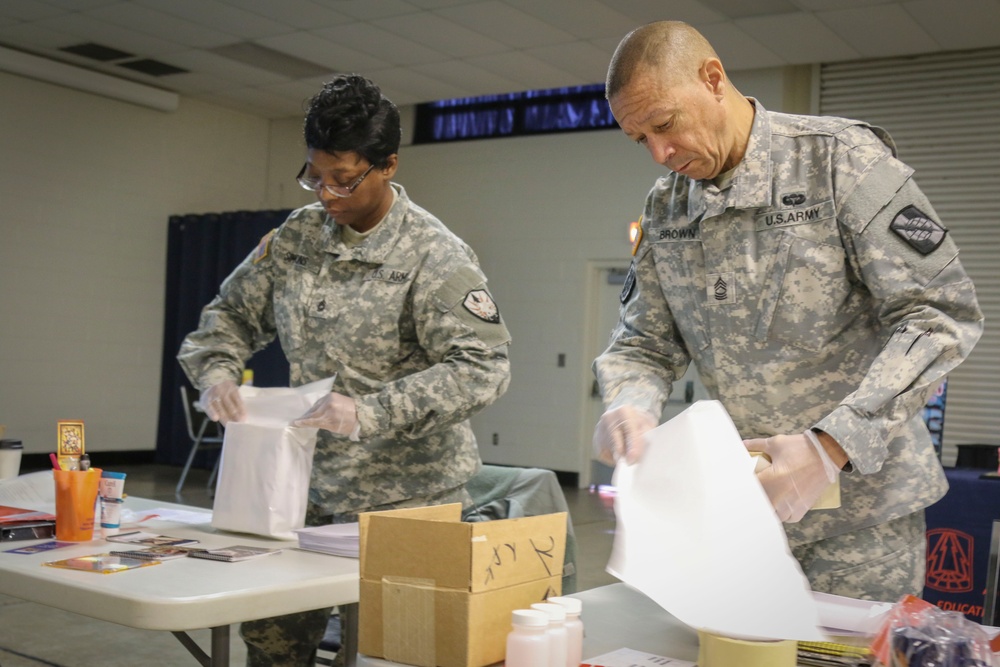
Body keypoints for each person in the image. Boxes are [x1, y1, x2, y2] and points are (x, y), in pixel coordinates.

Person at [592, 21, 983, 602]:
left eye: (665, 125)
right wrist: (630, 405)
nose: (659, 152)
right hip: (742, 516)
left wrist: (831, 445)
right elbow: (644, 343)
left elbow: (940, 316)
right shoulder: (667, 207)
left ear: (713, 78)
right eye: (639, 139)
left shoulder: (838, 162)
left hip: (861, 520)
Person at [177, 74, 512, 666]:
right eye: (315, 175)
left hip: (407, 496)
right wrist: (218, 376)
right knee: (273, 645)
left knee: (401, 650)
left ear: (387, 166)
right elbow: (225, 318)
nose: (327, 194)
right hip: (298, 490)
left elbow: (483, 367)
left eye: (344, 179)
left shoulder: (434, 255)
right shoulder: (296, 239)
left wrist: (368, 411)